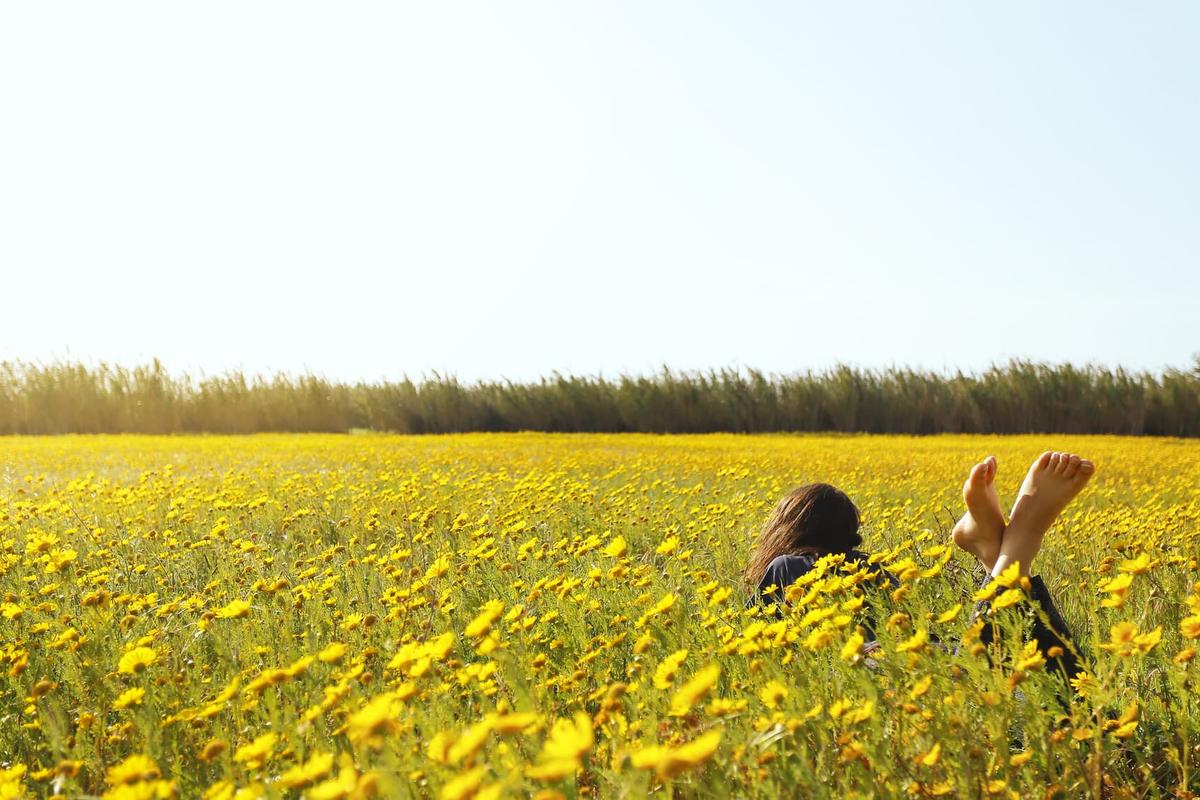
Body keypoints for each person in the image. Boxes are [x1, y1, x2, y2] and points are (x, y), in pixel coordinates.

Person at [746, 451, 1094, 681]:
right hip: (924, 657)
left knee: (1000, 683)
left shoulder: (784, 568)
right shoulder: (879, 570)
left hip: (888, 669)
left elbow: (759, 653)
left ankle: (1016, 545)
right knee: (1075, 698)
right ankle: (999, 553)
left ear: (784, 528)